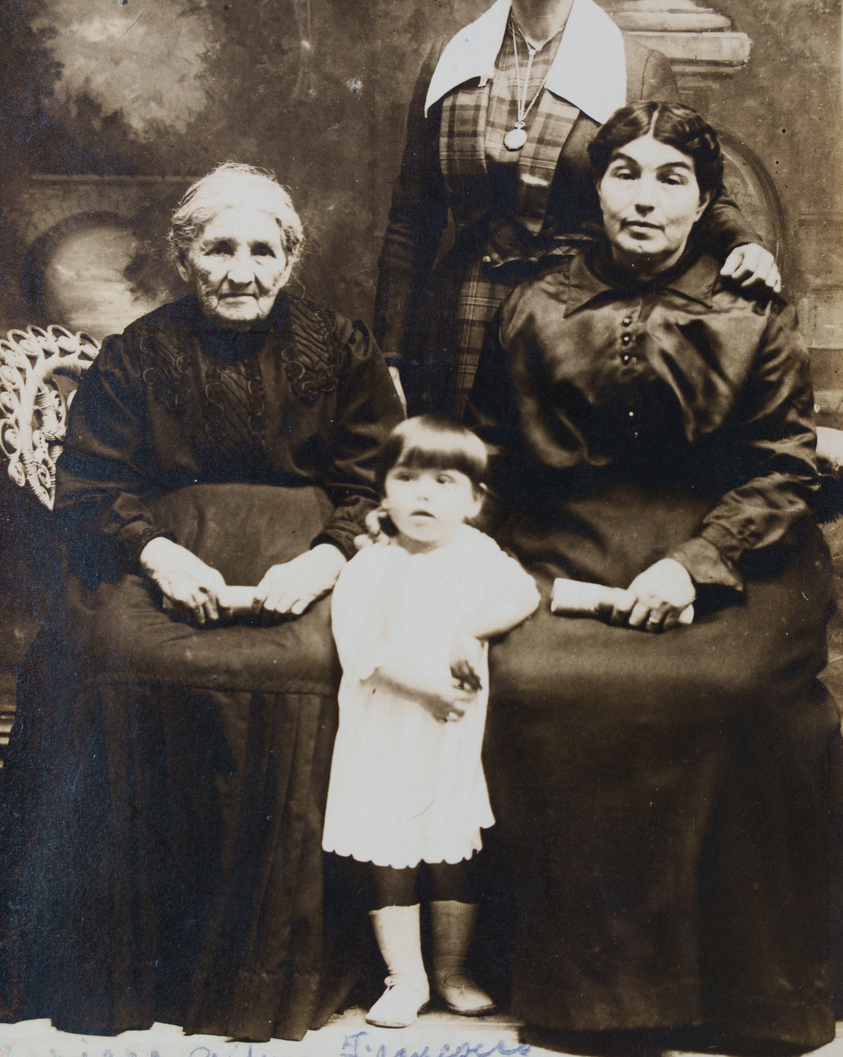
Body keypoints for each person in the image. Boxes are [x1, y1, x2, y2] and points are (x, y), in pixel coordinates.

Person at [0, 163, 404, 1042]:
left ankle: (269, 972)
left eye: (263, 250)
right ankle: (131, 974)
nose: (241, 270)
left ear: (290, 260)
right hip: (164, 551)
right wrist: (153, 551)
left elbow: (376, 479)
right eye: (220, 248)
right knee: (115, 659)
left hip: (307, 559)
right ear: (185, 257)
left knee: (310, 666)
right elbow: (91, 484)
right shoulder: (138, 352)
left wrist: (329, 557)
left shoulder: (341, 348)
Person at [468, 103, 840, 1049]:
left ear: (706, 201)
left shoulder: (749, 308)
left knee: (728, 685)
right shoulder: (529, 301)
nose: (642, 197)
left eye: (670, 178)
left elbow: (782, 466)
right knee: (539, 677)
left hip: (740, 547)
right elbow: (491, 450)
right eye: (623, 172)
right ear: (593, 190)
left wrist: (694, 563)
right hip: (567, 540)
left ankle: (751, 998)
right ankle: (594, 1003)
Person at [375, 0, 781, 418]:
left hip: (579, 319)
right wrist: (390, 352)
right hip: (455, 325)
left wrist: (745, 243)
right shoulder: (451, 57)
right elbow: (410, 219)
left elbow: (682, 186)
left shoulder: (634, 67)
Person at [321, 416, 539, 1028]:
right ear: (383, 494)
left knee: (451, 850)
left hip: (449, 745)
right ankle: (406, 977)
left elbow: (524, 595)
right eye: (407, 478)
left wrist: (472, 628)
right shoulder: (370, 567)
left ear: (473, 502)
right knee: (392, 853)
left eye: (444, 482)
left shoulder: (478, 554)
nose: (422, 495)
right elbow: (361, 652)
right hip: (388, 735)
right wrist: (427, 692)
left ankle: (450, 970)